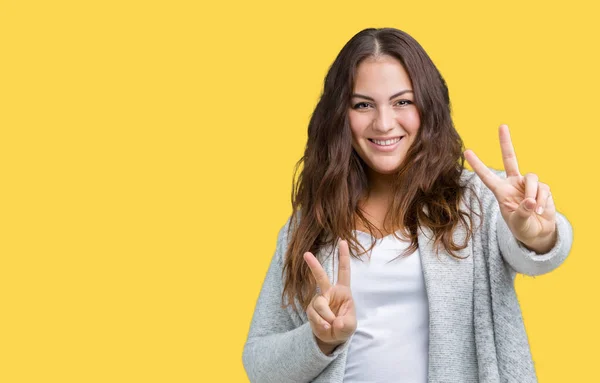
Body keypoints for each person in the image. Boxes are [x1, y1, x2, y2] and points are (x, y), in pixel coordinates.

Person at [242, 27, 573, 383]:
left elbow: (542, 252)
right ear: (341, 114)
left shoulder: (478, 200)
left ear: (427, 106)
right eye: (363, 104)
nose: (383, 123)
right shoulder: (312, 222)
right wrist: (320, 341)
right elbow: (260, 363)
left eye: (402, 101)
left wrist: (539, 235)